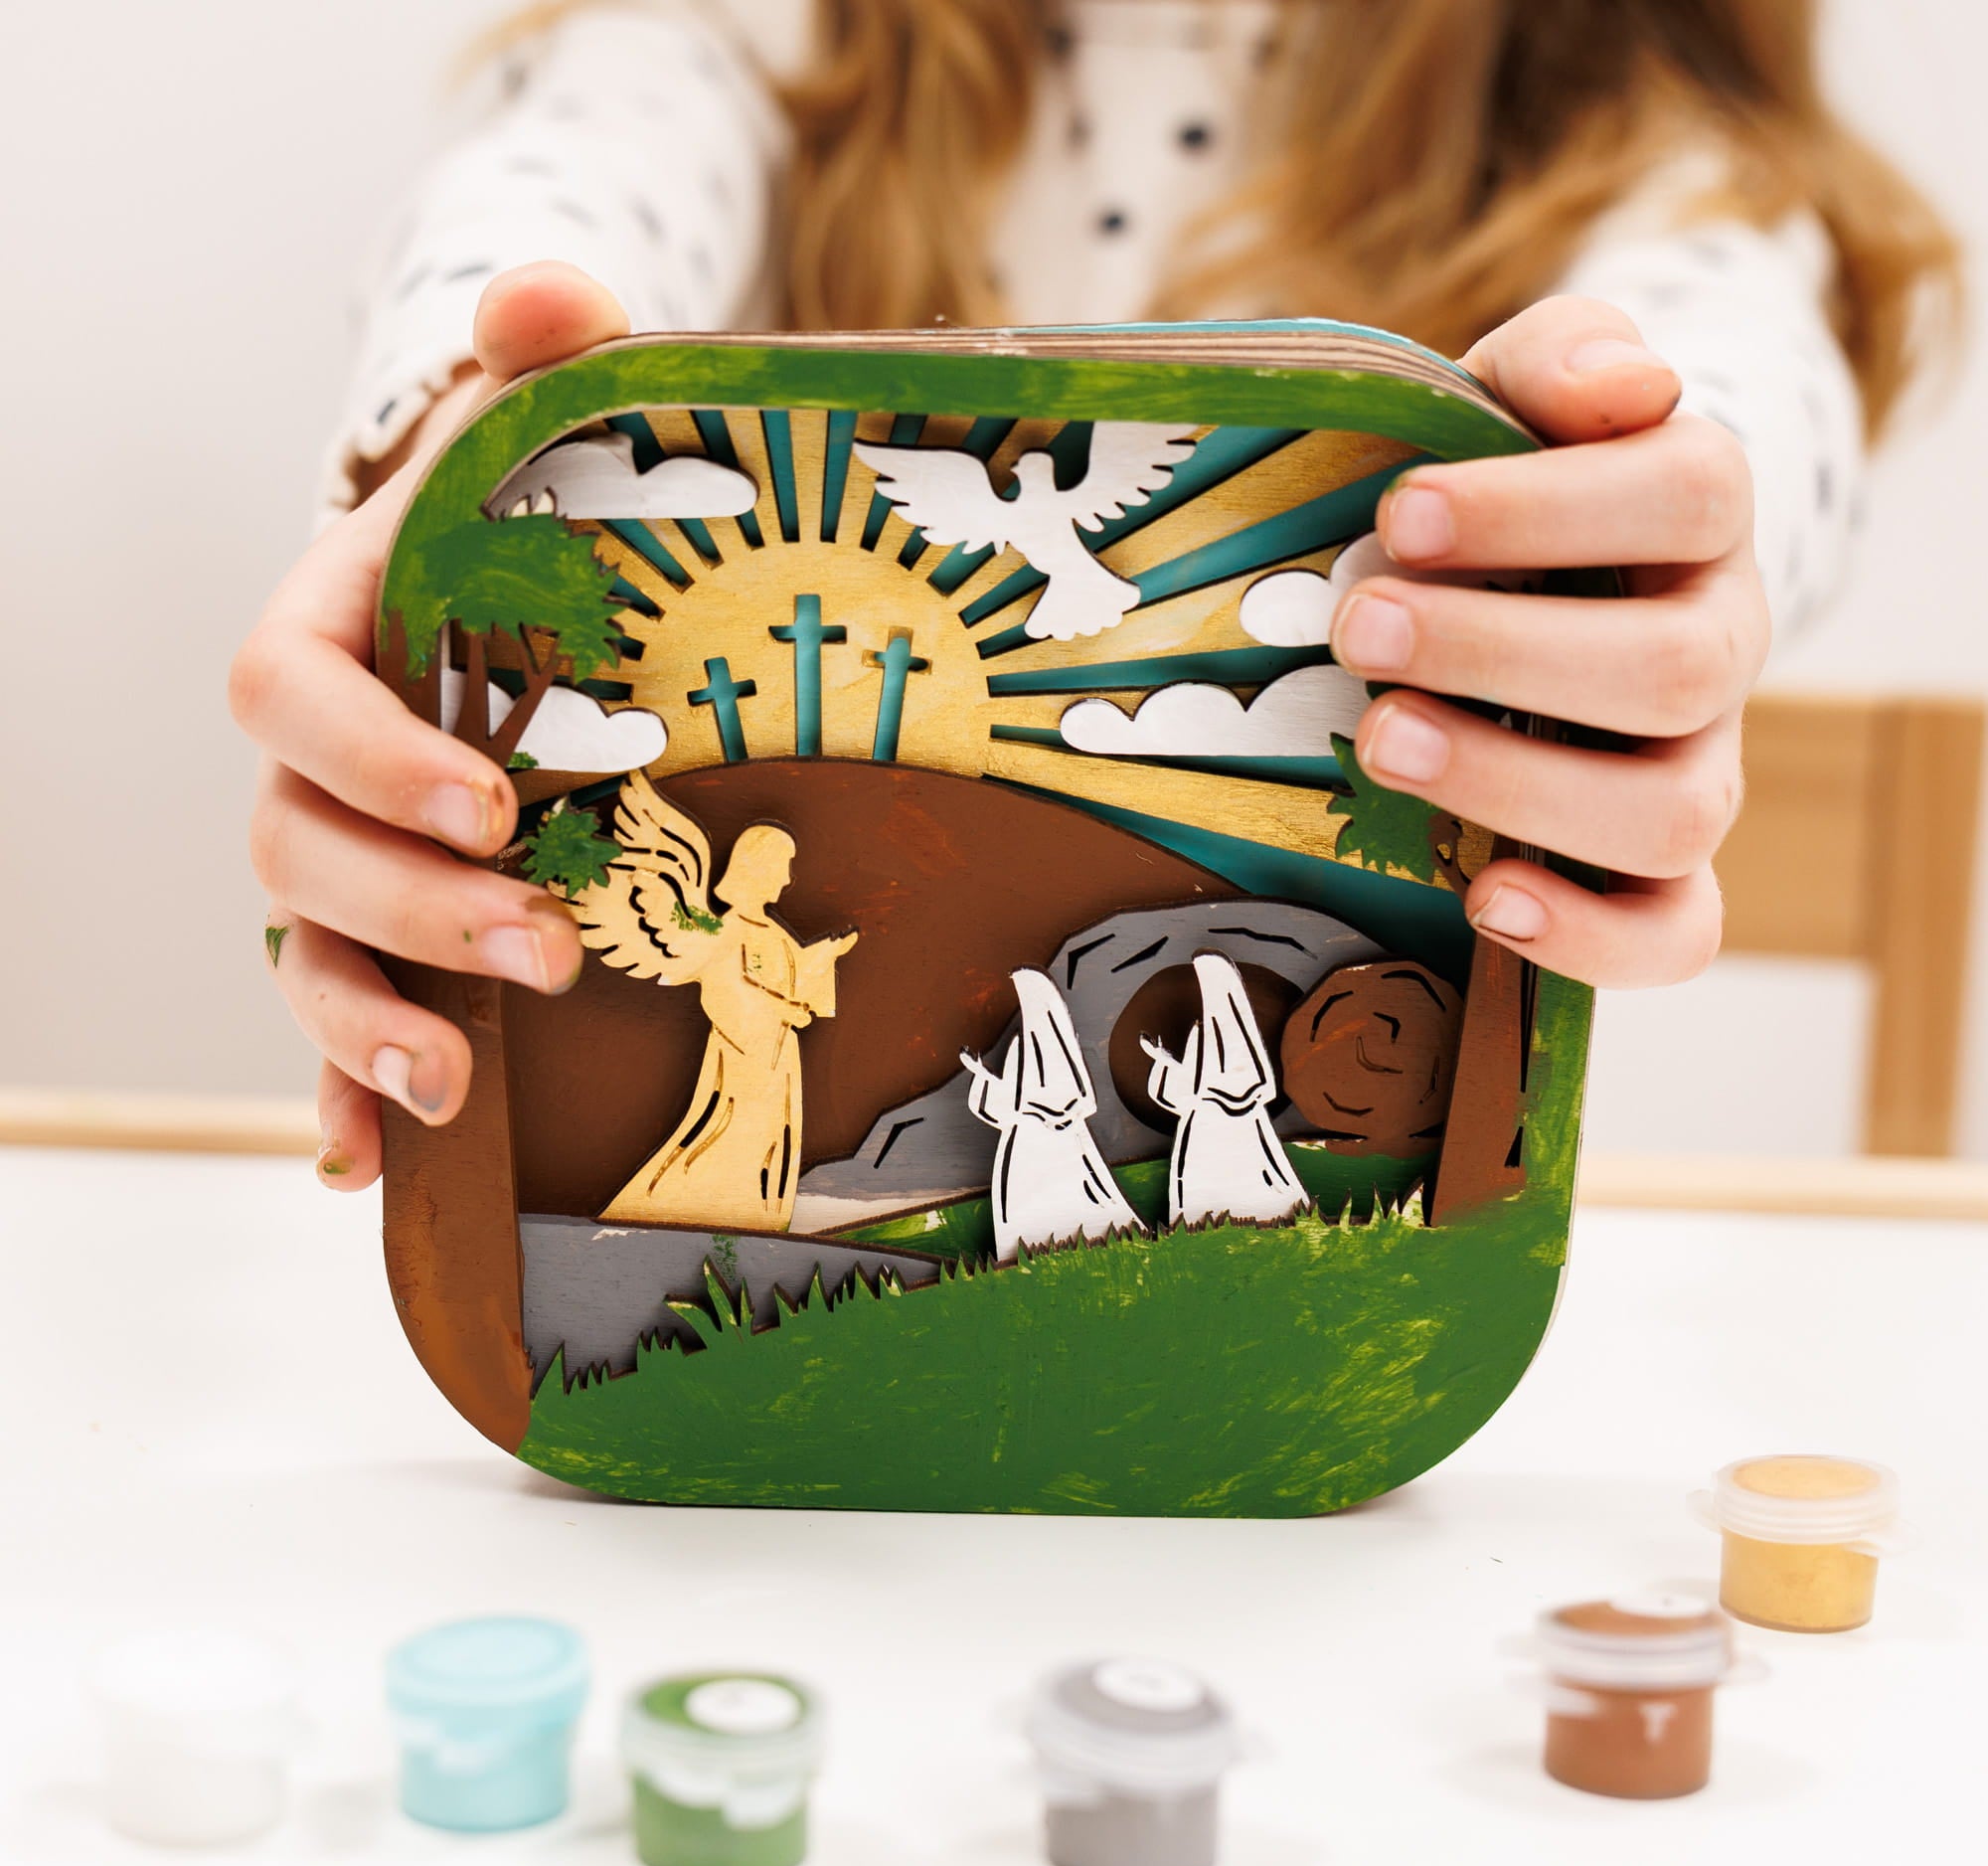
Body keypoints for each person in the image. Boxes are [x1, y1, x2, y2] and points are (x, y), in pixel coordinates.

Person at [230, 0, 1958, 1190]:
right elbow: (578, 168)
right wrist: (445, 450)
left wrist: (1657, 532)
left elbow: (1731, 328)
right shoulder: (767, 38)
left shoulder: (1616, 104)